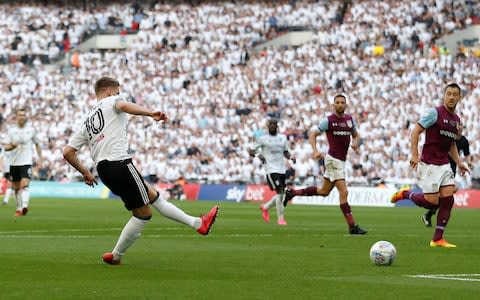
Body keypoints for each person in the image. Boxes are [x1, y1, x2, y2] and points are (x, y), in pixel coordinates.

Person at [63, 76, 218, 265]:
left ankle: (198, 223)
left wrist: (86, 173)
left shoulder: (87, 121)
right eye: (118, 92)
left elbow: (68, 152)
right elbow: (123, 106)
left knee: (153, 195)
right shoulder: (112, 101)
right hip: (120, 163)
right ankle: (117, 254)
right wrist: (150, 112)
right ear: (109, 91)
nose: (120, 96)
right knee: (143, 213)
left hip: (104, 170)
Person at [391, 83, 469, 248]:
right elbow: (415, 132)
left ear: (459, 97)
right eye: (449, 93)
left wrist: (459, 163)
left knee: (448, 199)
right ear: (444, 95)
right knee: (432, 202)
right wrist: (414, 155)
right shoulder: (434, 113)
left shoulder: (457, 120)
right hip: (429, 164)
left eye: (455, 94)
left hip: (444, 164)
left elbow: (452, 145)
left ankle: (437, 239)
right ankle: (406, 194)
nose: (452, 97)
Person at [283, 94, 367, 235]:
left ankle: (293, 192)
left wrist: (356, 143)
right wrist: (315, 150)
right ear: (333, 105)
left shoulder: (350, 120)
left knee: (324, 192)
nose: (340, 104)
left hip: (341, 161)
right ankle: (352, 226)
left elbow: (357, 136)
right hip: (333, 160)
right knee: (344, 192)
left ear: (346, 105)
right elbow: (312, 134)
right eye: (337, 102)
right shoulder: (328, 121)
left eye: (342, 102)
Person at [421, 123, 471, 227]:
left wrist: (469, 162)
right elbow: (447, 151)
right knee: (442, 196)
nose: (460, 128)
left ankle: (429, 214)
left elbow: (467, 154)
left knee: (448, 194)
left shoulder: (464, 141)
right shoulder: (448, 138)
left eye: (461, 126)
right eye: (459, 126)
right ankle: (427, 212)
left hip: (451, 170)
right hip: (441, 167)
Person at [248, 119, 293, 225]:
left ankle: (265, 207)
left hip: (282, 169)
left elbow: (286, 152)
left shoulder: (282, 138)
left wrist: (291, 157)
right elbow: (250, 150)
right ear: (268, 126)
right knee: (280, 192)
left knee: (281, 194)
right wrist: (258, 155)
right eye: (271, 124)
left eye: (274, 124)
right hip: (271, 170)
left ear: (277, 126)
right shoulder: (262, 139)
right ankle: (281, 219)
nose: (272, 126)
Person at [4, 108, 42, 216]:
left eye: (23, 115)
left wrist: (40, 159)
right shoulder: (11, 131)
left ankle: (25, 206)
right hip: (14, 162)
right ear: (16, 117)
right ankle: (18, 208)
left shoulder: (31, 130)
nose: (22, 117)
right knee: (16, 188)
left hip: (26, 162)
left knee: (25, 184)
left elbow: (37, 144)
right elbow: (6, 147)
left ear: (25, 117)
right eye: (20, 115)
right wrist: (12, 145)